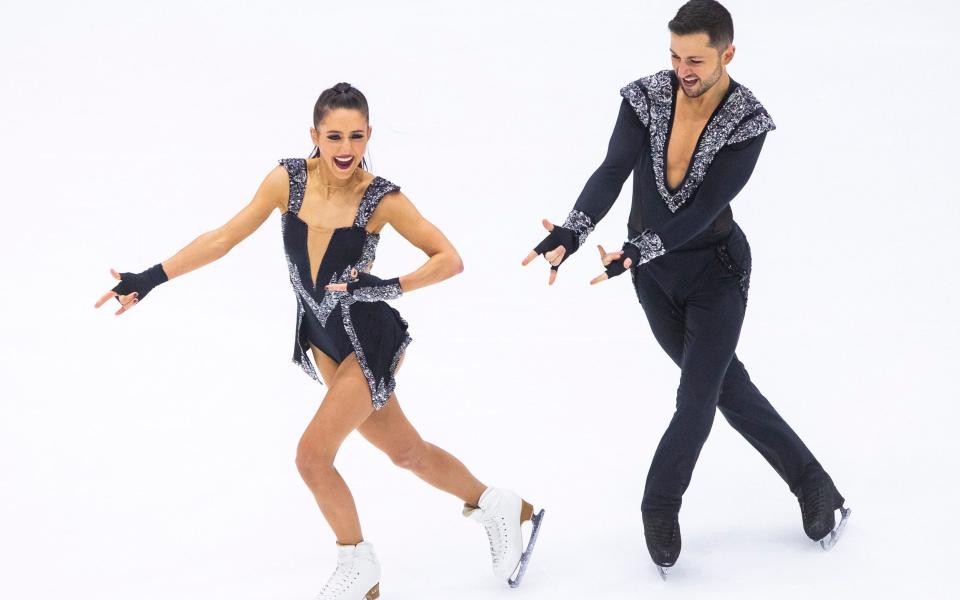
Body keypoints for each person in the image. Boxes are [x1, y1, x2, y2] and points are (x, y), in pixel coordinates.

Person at [96, 82, 544, 599]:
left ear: (369, 134)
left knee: (311, 456)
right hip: (320, 337)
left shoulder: (382, 199)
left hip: (366, 339)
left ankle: (359, 564)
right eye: (334, 136)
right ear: (314, 134)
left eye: (356, 136)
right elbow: (222, 237)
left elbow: (449, 258)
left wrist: (384, 285)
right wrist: (148, 279)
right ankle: (500, 505)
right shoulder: (285, 181)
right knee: (407, 452)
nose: (346, 148)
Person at [522, 0, 849, 578]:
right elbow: (611, 170)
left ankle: (659, 506)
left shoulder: (747, 120)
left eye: (695, 58)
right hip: (652, 277)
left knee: (698, 398)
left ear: (727, 53)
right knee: (726, 387)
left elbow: (703, 208)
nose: (681, 68)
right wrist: (572, 233)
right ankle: (816, 485)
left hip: (716, 272)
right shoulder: (645, 97)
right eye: (674, 54)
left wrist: (636, 251)